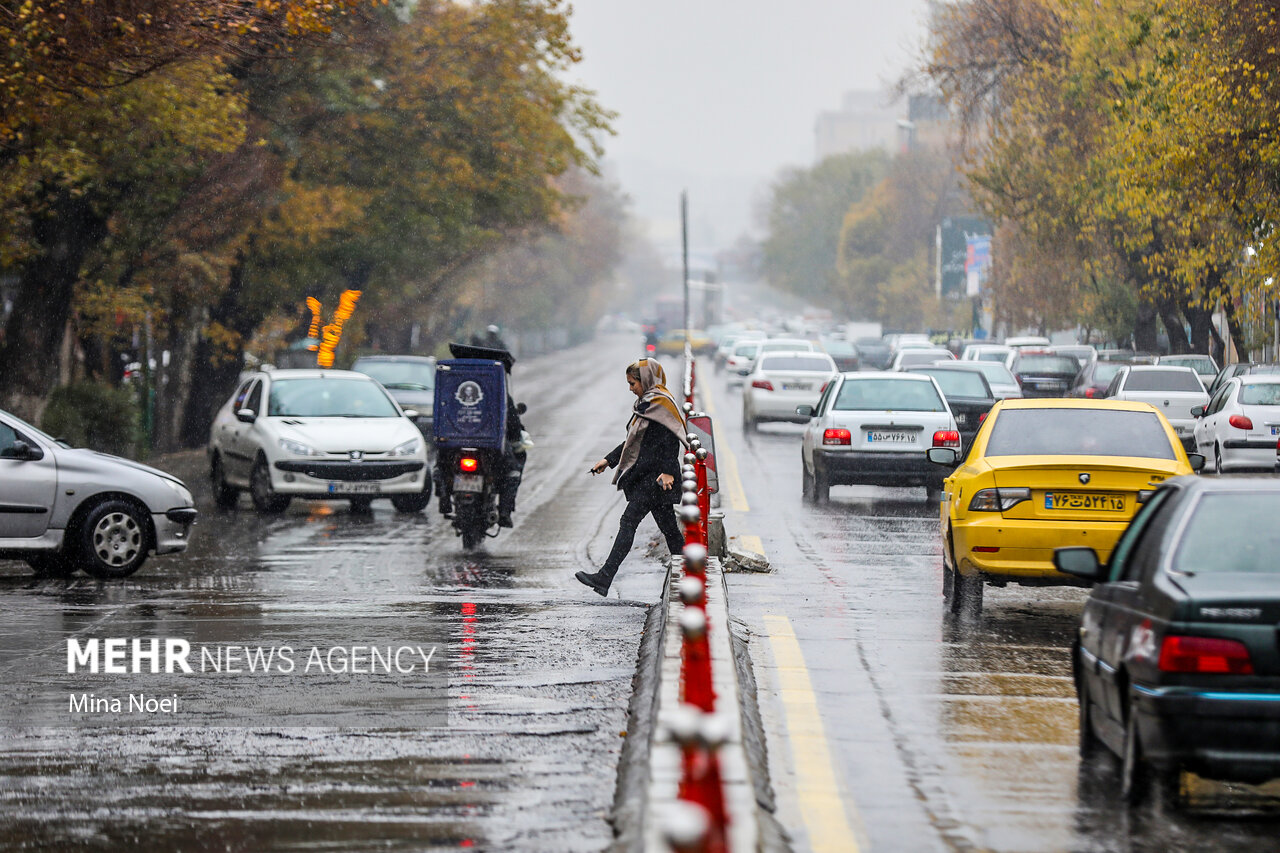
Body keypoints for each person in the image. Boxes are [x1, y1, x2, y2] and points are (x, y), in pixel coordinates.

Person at [576, 359, 688, 596]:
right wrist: (608, 460)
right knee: (670, 530)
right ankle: (688, 574)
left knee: (629, 522)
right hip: (650, 477)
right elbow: (632, 442)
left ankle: (605, 577)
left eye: (633, 383)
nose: (631, 388)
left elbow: (671, 438)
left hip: (656, 479)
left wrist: (668, 470)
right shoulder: (647, 403)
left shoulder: (660, 404)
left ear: (645, 380)